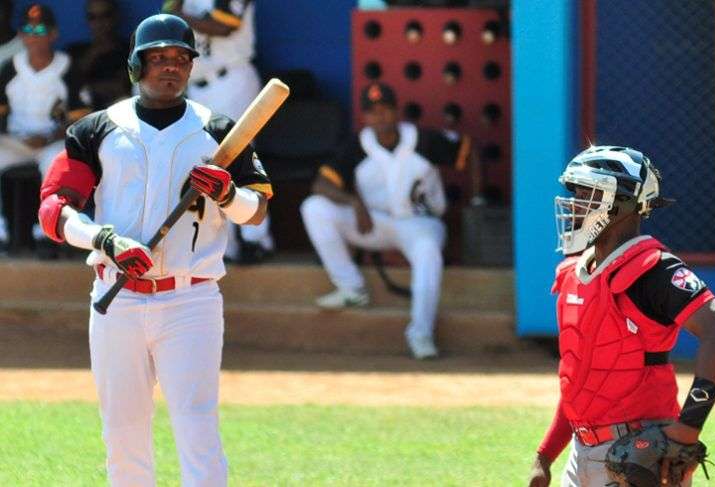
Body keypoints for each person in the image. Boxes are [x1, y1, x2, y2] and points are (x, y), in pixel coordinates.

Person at [37, 14, 272, 485]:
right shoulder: (98, 129)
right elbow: (54, 210)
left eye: (180, 58)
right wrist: (105, 239)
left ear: (191, 66)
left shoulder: (219, 131)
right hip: (116, 297)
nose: (170, 66)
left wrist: (227, 194)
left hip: (191, 299)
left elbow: (258, 209)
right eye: (158, 57)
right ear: (135, 65)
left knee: (198, 431)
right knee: (123, 437)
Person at [528, 146, 715, 487]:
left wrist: (687, 429)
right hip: (580, 453)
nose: (575, 204)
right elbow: (580, 379)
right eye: (576, 193)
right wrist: (545, 454)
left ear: (621, 203)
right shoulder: (573, 273)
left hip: (638, 454)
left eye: (587, 193)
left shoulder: (652, 268)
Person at [300, 82, 470, 360]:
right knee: (314, 207)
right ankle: (351, 287)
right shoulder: (357, 145)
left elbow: (467, 151)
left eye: (385, 110)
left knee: (428, 252)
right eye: (372, 112)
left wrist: (477, 201)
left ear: (396, 111)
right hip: (375, 223)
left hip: (420, 224)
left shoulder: (424, 139)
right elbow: (321, 184)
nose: (379, 117)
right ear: (365, 116)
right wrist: (354, 202)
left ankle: (421, 333)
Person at [162, 0, 272, 262]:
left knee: (239, 157)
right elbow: (166, 23)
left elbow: (224, 26)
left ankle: (256, 240)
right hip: (197, 85)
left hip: (231, 79)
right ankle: (227, 245)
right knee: (205, 163)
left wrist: (177, 15)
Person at [0, 3, 89, 248]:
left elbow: (80, 117)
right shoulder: (10, 68)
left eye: (40, 30)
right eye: (28, 30)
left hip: (53, 141)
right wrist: (14, 135)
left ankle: (47, 233)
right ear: (21, 35)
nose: (34, 36)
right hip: (16, 142)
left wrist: (51, 136)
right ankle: (2, 230)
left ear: (53, 34)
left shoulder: (67, 67)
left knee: (56, 163)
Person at [65, 0, 131, 111]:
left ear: (116, 17)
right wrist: (94, 52)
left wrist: (90, 88)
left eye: (105, 15)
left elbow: (124, 89)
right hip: (82, 119)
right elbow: (69, 89)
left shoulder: (130, 51)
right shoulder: (74, 51)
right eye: (92, 17)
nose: (99, 22)